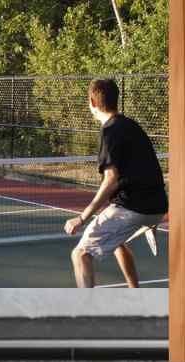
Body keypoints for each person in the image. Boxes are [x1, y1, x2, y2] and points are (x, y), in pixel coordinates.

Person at [64, 78, 168, 288]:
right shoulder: (132, 126)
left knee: (81, 254)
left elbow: (111, 180)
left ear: (92, 103)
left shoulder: (109, 132)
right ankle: (134, 291)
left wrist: (82, 217)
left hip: (132, 207)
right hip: (157, 206)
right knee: (119, 242)